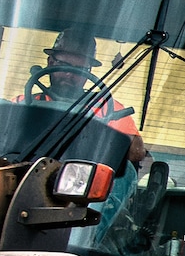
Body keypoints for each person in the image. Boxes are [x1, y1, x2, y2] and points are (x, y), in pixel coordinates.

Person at [26, 25, 149, 165]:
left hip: (84, 180)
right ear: (50, 62)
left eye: (79, 69)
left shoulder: (108, 108)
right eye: (63, 64)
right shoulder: (25, 102)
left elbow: (136, 152)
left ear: (89, 71)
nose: (69, 74)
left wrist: (95, 134)